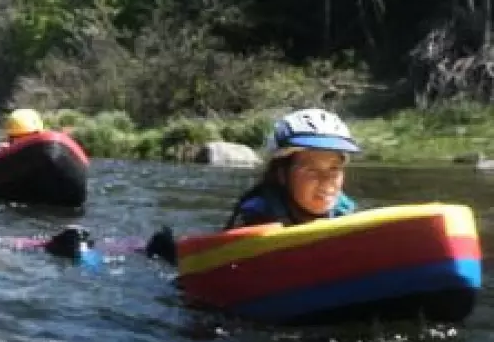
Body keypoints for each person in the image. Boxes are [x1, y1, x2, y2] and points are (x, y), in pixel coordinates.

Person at [143, 108, 361, 264]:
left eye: (334, 169)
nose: (326, 181)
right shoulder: (256, 213)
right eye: (311, 169)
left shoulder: (344, 211)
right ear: (282, 175)